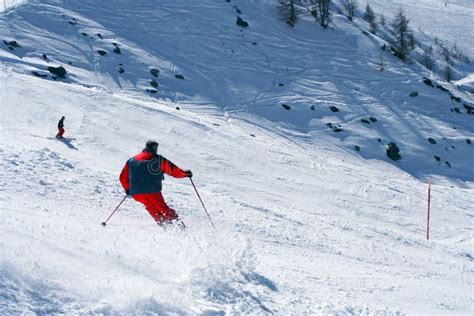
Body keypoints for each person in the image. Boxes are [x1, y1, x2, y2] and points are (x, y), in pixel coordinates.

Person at [119, 140, 192, 228]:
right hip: (151, 189)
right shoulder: (157, 159)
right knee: (161, 206)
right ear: (154, 148)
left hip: (135, 192)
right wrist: (185, 174)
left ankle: (163, 224)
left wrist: (127, 188)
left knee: (150, 206)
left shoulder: (131, 160)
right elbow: (172, 170)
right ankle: (179, 226)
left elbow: (122, 176)